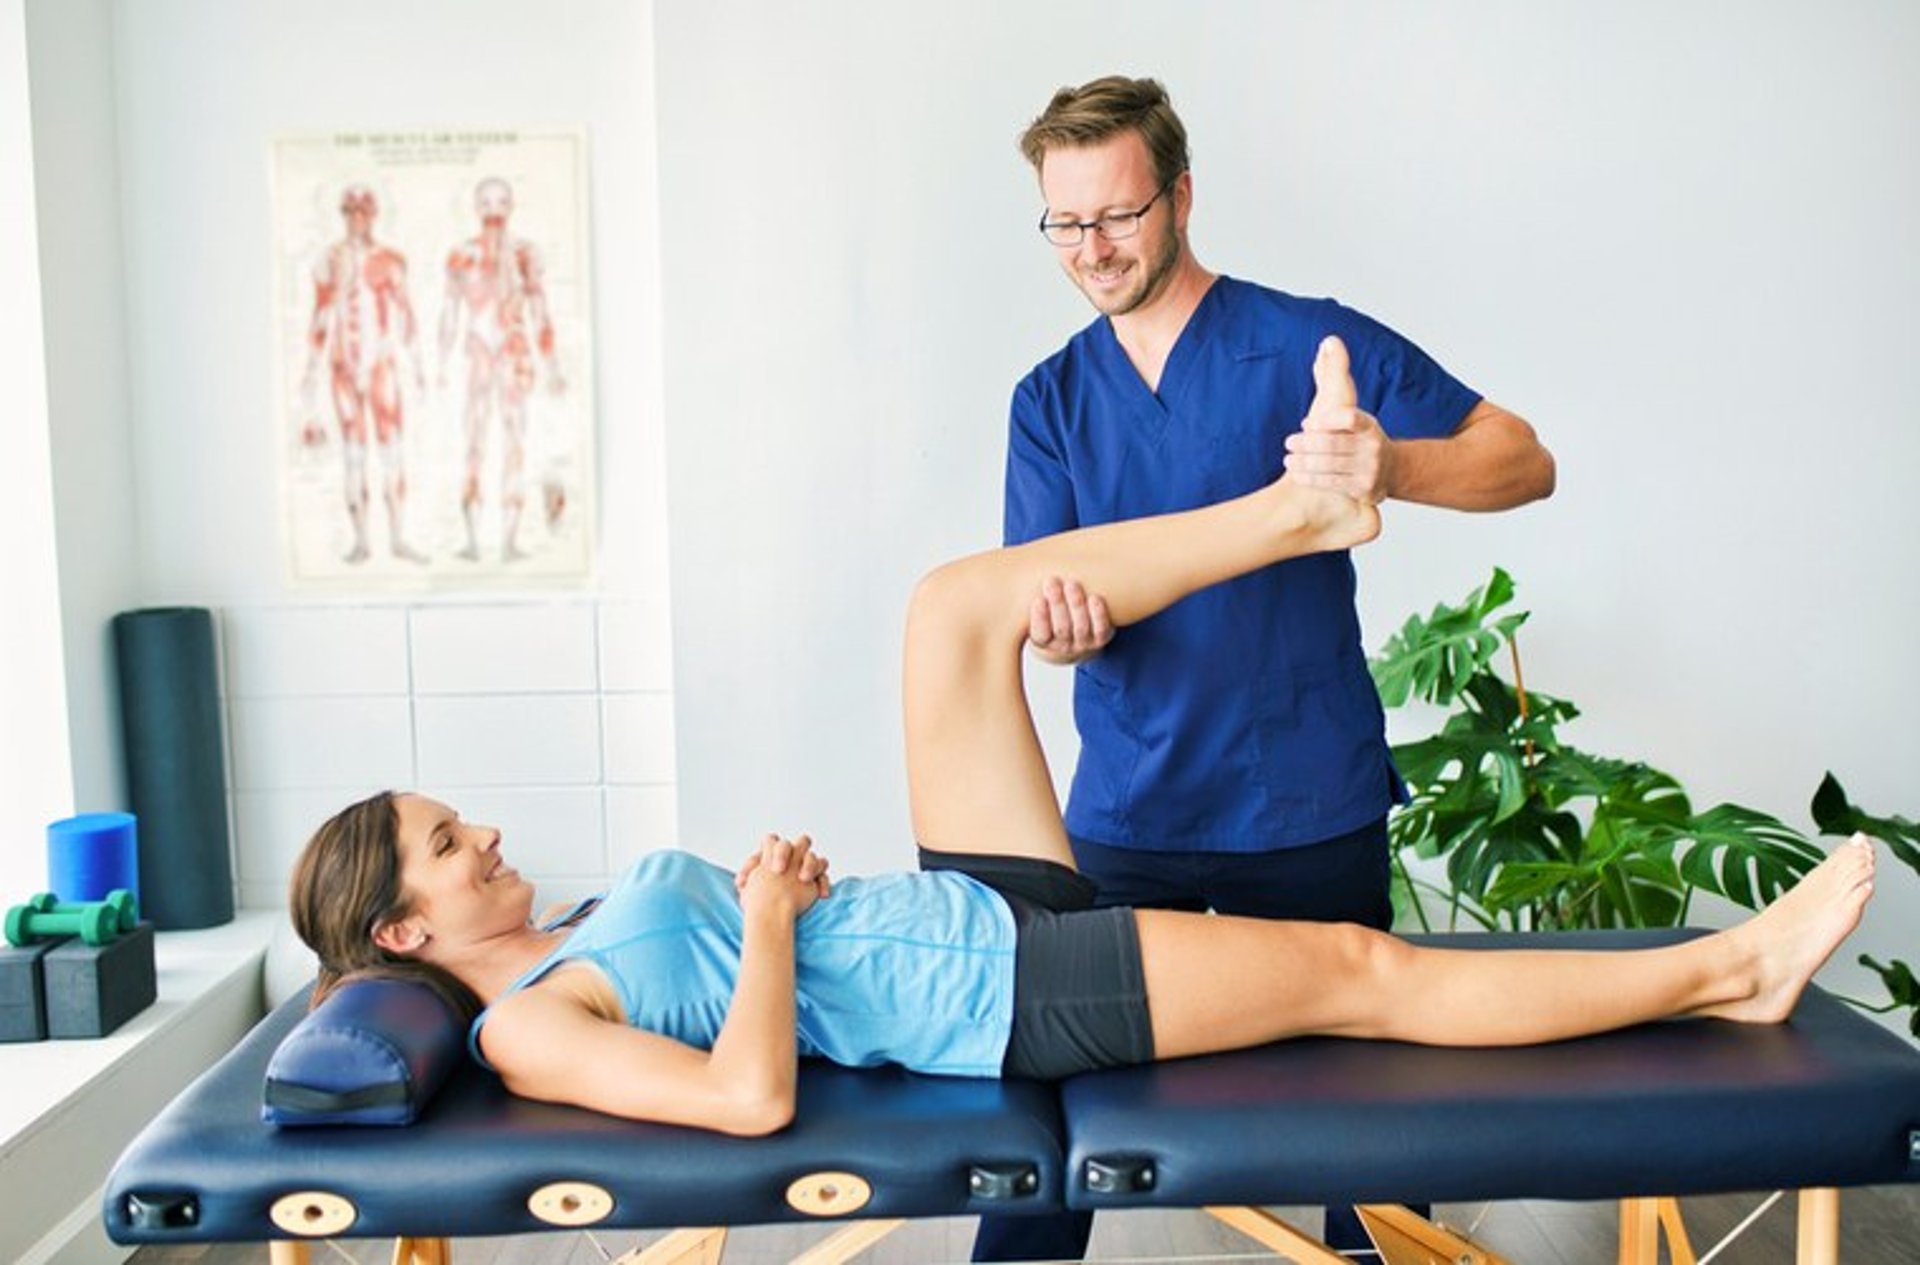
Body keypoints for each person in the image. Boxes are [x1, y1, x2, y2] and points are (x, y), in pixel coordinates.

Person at [288, 389, 1875, 1148]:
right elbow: (748, 1097)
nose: (478, 827)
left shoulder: (563, 932)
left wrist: (786, 911)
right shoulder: (530, 1034)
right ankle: (1722, 971)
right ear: (406, 929)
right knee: (1358, 964)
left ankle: (1300, 512)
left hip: (963, 915)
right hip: (1002, 1003)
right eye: (444, 838)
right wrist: (767, 920)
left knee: (952, 609)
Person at [994, 75, 1559, 1257]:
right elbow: (1036, 593)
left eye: (1119, 214)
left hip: (1301, 802)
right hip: (1128, 812)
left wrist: (1387, 466)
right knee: (1047, 1133)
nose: (1094, 248)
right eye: (1066, 223)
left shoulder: (1305, 343)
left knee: (1364, 1134)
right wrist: (1058, 625)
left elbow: (1521, 457)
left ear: (1182, 195)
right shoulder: (1049, 401)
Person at [437, 176, 567, 562]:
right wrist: (441, 362)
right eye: (487, 203)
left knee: (514, 442)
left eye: (501, 203)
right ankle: (473, 540)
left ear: (511, 207)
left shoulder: (525, 254)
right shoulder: (461, 255)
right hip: (478, 354)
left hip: (514, 355)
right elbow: (449, 312)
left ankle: (509, 541)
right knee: (474, 441)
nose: (494, 211)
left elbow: (541, 311)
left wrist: (553, 365)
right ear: (477, 208)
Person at [299, 184, 429, 566]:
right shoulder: (329, 260)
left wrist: (418, 366)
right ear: (343, 215)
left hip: (380, 365)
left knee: (392, 451)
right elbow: (320, 316)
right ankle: (361, 542)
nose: (357, 219)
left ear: (373, 215)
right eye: (350, 212)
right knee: (353, 455)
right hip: (342, 365)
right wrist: (309, 373)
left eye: (364, 212)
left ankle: (399, 537)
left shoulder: (390, 260)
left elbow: (405, 315)